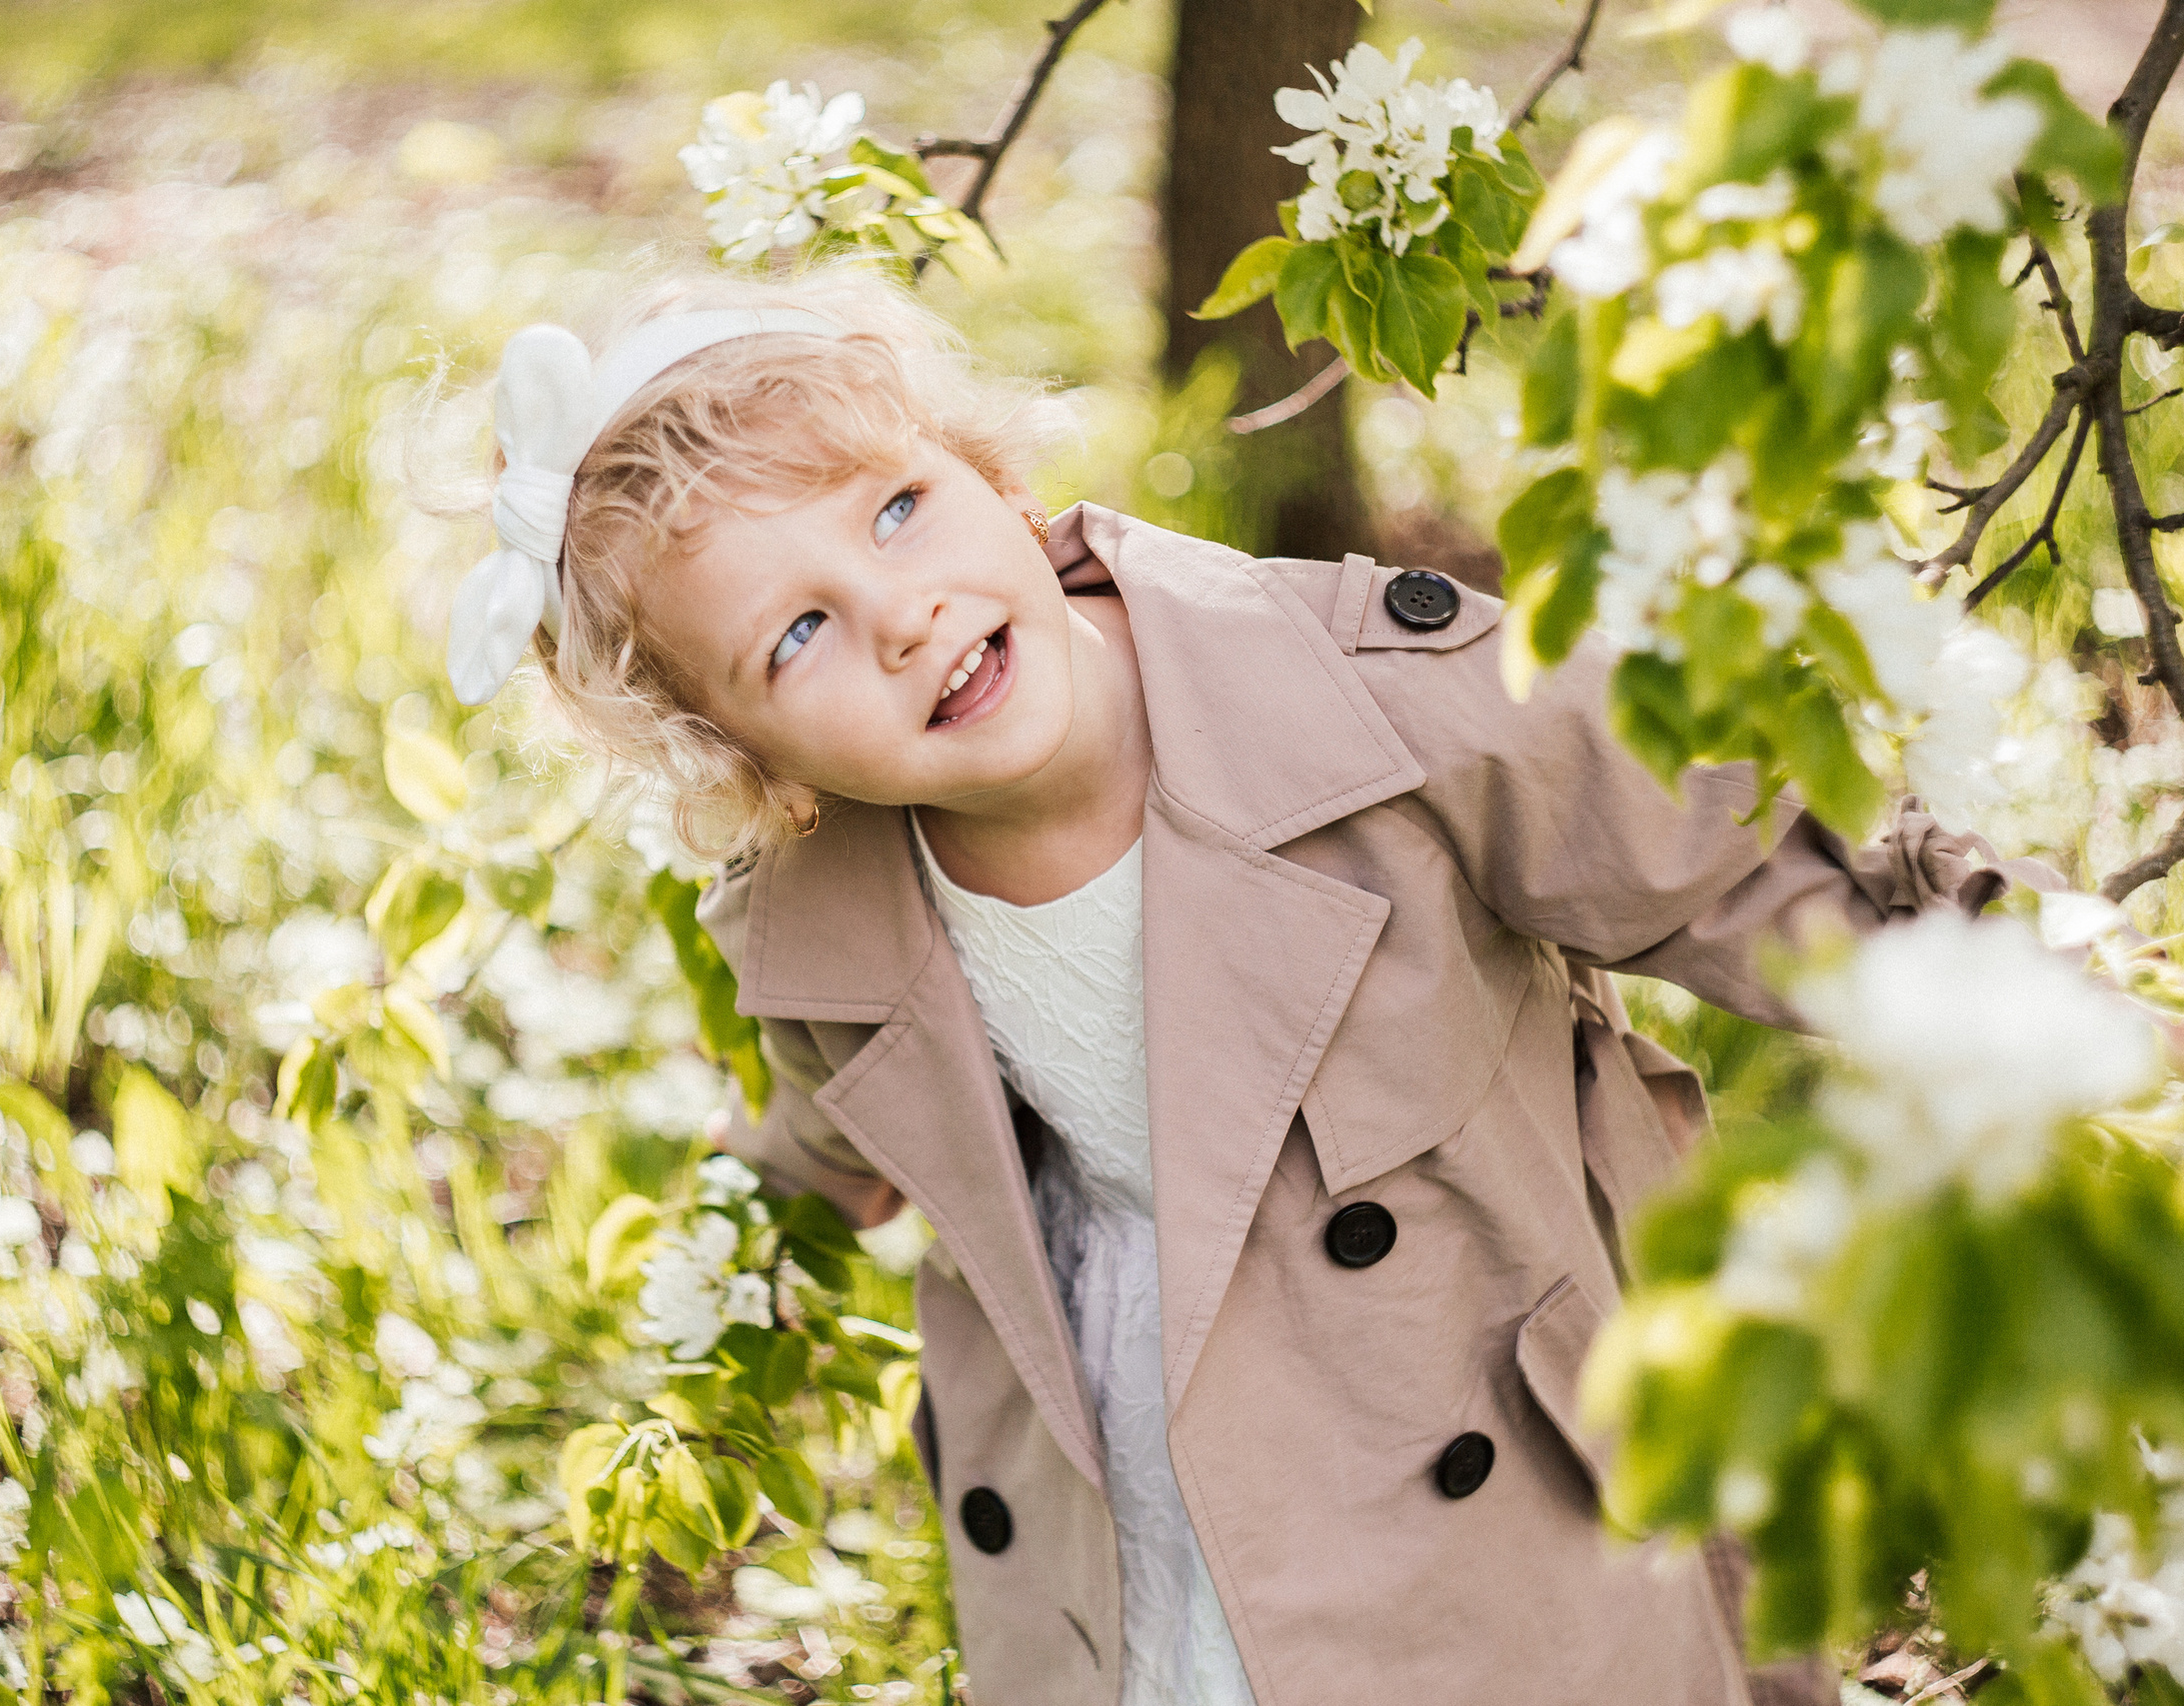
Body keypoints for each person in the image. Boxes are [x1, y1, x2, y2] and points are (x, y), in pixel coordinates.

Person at [436, 263, 2022, 1706]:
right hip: (1139, 1423)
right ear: (752, 761)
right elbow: (847, 1115)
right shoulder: (828, 909)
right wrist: (758, 1229)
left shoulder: (1369, 707)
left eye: (898, 511)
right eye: (796, 636)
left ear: (989, 473)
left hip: (1460, 1414)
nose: (899, 614)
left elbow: (1725, 863)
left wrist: (2013, 991)